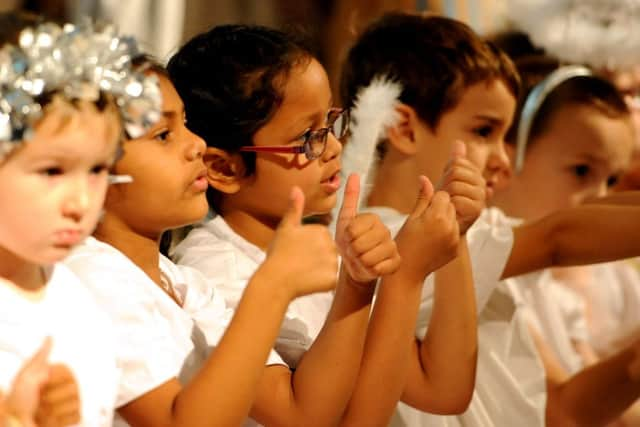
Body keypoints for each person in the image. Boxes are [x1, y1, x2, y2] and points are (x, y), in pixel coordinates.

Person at [340, 12, 640, 427]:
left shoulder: (470, 236)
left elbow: (576, 219)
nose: (502, 160)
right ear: (402, 127)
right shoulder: (388, 238)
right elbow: (558, 238)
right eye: (484, 132)